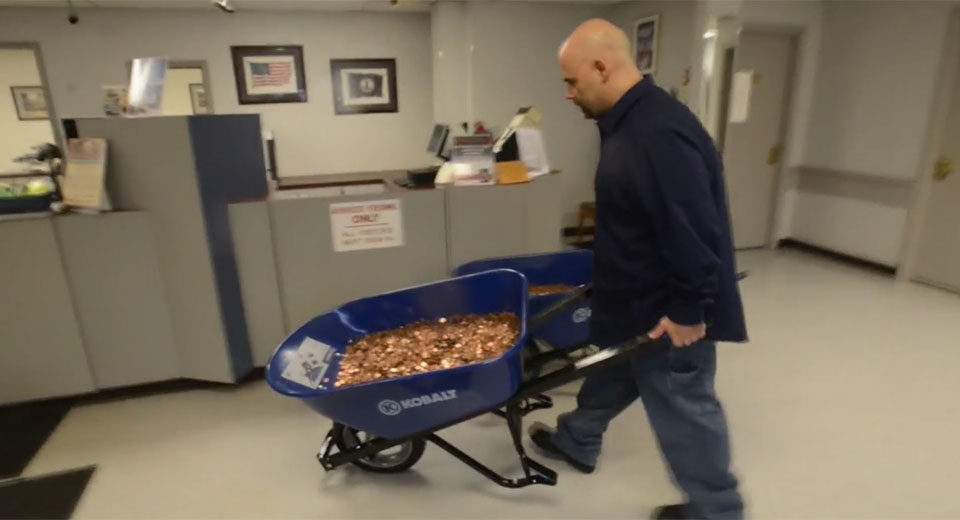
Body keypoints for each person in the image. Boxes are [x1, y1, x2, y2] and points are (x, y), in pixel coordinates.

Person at [528, 19, 748, 520]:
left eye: (572, 82)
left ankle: (719, 512)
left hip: (668, 312)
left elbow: (694, 228)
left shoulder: (657, 133)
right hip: (636, 303)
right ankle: (578, 439)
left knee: (687, 410)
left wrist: (689, 310)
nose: (567, 94)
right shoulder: (631, 123)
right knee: (614, 369)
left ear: (602, 67)